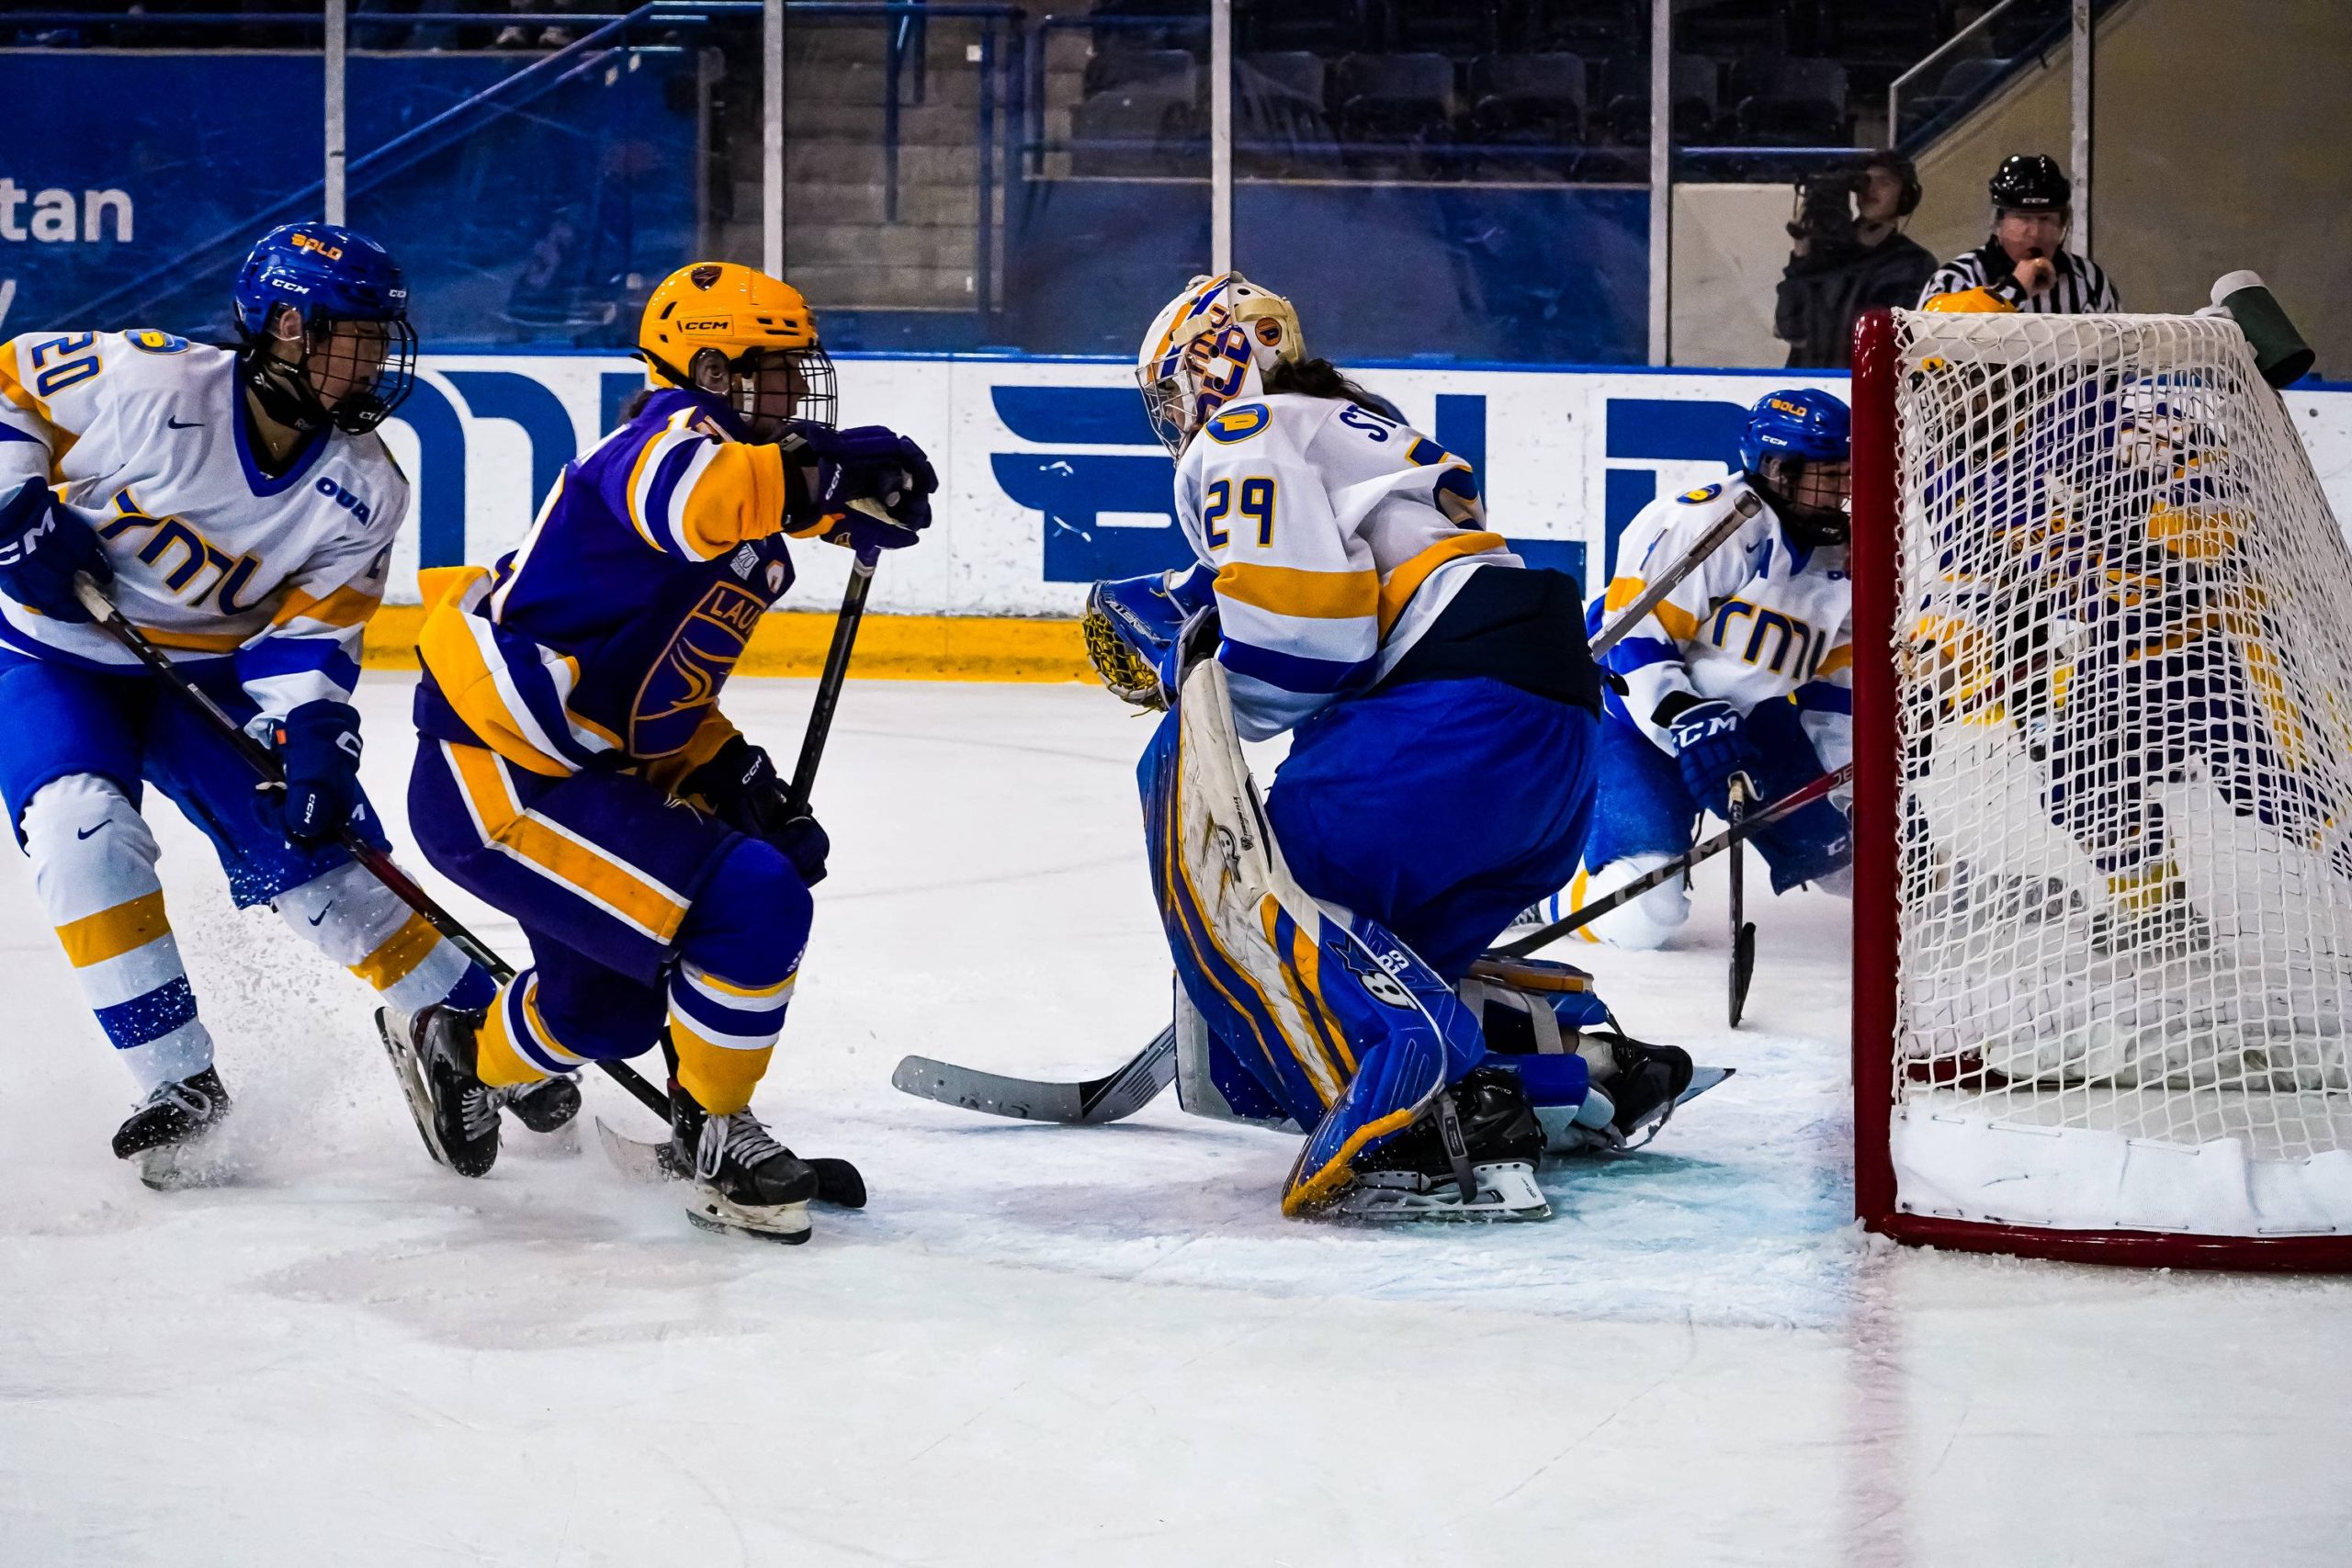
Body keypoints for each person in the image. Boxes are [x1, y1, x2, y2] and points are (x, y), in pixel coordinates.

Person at [1083, 272, 1695, 1224]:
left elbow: (1307, 643)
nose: (1175, 417)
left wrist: (1190, 673)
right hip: (1549, 736)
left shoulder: (1243, 434)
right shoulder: (1358, 421)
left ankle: (1411, 1088)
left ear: (1215, 361)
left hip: (1440, 731)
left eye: (1171, 389)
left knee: (1264, 904)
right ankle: (1562, 1061)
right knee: (1375, 959)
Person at [383, 260, 935, 1243]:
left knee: (603, 1010)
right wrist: (824, 474)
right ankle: (717, 1132)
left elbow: (658, 689)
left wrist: (727, 771)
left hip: (578, 772)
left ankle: (462, 1054)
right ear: (705, 368)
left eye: (791, 374)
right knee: (751, 897)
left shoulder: (755, 540)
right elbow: (704, 497)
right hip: (499, 776)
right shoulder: (662, 442)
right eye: (766, 372)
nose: (790, 395)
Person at [0, 223, 528, 1186]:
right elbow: (7, 383)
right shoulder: (147, 382)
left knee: (316, 859)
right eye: (352, 338)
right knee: (80, 829)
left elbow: (308, 639)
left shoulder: (366, 487)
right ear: (284, 327)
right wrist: (12, 508)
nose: (371, 362)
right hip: (50, 656)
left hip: (205, 679)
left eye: (378, 341)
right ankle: (179, 1087)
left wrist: (314, 740)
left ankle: (486, 1031)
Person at [1540, 389, 1857, 951]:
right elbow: (1630, 639)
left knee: (1858, 859)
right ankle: (1540, 890)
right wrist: (1686, 717)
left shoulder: (1851, 554)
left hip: (1747, 719)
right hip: (1625, 715)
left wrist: (1849, 775)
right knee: (1644, 913)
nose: (1839, 491)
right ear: (1776, 470)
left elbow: (1837, 682)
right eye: (1825, 476)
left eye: (1845, 475)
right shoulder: (1705, 526)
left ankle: (1952, 885)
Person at [1773, 150, 1937, 369]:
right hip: (1806, 384)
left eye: (1884, 182)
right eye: (1865, 181)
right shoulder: (1824, 255)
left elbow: (1882, 341)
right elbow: (1789, 329)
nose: (1871, 189)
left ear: (1906, 196)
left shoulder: (1914, 262)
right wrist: (1802, 253)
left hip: (1865, 387)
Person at [1920, 153, 2119, 315]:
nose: (2035, 233)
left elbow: (2119, 355)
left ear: (2062, 224)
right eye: (2022, 218)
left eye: (2046, 219)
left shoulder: (2090, 280)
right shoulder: (1958, 278)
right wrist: (2014, 289)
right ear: (1998, 222)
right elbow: (1929, 346)